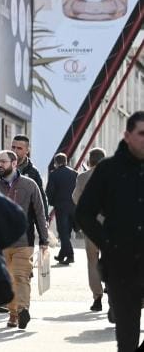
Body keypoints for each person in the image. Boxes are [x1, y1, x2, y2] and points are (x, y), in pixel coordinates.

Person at [75, 111, 144, 352]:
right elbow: (84, 212)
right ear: (127, 136)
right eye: (141, 134)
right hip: (121, 263)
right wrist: (107, 242)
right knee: (127, 336)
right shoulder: (108, 170)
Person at [0, 150, 49, 329]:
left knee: (21, 276)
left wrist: (44, 239)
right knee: (8, 280)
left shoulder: (29, 184)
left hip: (23, 241)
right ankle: (13, 313)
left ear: (14, 163)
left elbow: (40, 213)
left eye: (3, 161)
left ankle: (23, 309)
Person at [72, 146, 106, 312]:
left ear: (89, 161)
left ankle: (97, 298)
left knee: (92, 261)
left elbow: (75, 198)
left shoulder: (82, 177)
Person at [46, 152, 78, 265]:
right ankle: (61, 255)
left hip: (61, 207)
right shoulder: (74, 173)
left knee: (62, 232)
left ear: (56, 163)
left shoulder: (54, 174)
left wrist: (51, 202)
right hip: (73, 207)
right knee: (67, 232)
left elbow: (49, 191)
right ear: (66, 161)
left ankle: (70, 256)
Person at [11, 134, 46, 210]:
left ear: (27, 150)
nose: (15, 151)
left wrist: (44, 220)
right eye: (13, 147)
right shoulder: (1, 168)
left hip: (25, 217)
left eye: (19, 148)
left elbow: (40, 198)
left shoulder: (33, 172)